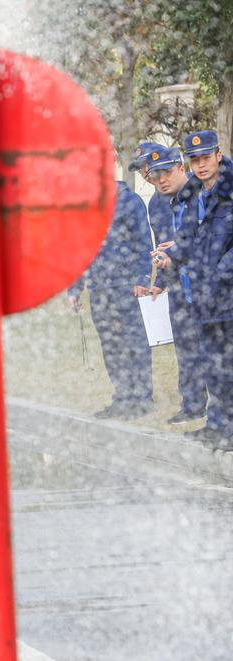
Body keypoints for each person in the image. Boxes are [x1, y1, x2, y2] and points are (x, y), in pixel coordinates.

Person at [155, 130, 233, 448]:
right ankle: (217, 425)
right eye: (195, 160)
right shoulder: (198, 194)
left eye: (205, 158)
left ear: (218, 155)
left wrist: (220, 273)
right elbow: (188, 233)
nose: (201, 165)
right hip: (204, 295)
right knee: (212, 362)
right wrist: (170, 254)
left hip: (226, 292)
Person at [133, 146, 208, 424]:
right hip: (179, 285)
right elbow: (165, 245)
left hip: (207, 285)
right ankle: (193, 405)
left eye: (166, 172)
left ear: (180, 167)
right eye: (154, 175)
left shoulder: (203, 192)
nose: (159, 179)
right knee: (186, 349)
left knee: (216, 350)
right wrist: (161, 281)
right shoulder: (156, 203)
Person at [68, 180, 154, 419]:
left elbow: (143, 242)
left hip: (125, 286)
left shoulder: (128, 200)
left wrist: (142, 277)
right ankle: (123, 396)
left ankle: (142, 398)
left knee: (133, 343)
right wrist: (74, 289)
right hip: (99, 288)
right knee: (111, 346)